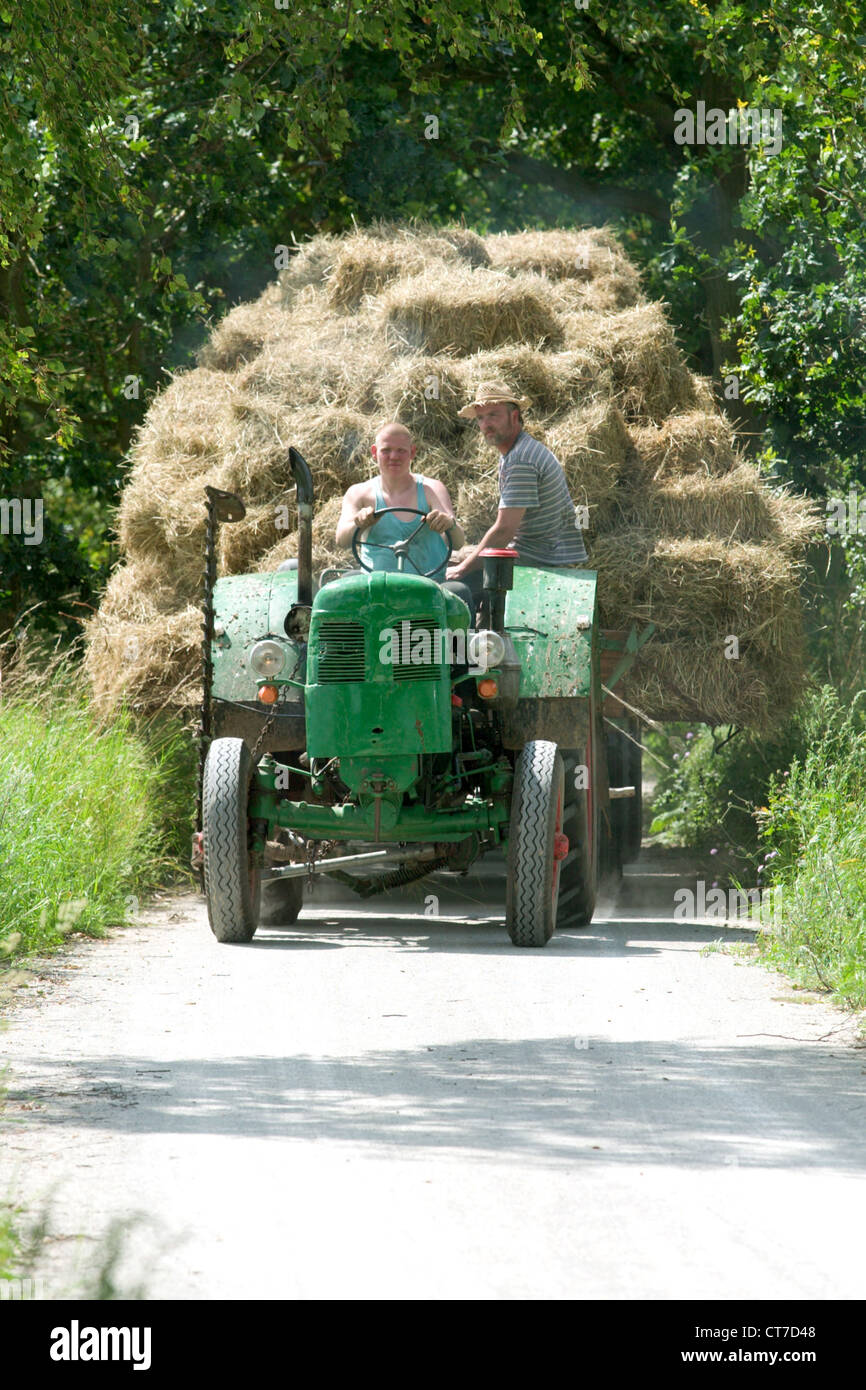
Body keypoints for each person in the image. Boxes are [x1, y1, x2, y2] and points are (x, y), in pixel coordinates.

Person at [446, 380, 587, 591]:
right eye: (481, 418)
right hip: (539, 550)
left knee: (450, 582)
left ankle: (477, 622)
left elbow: (504, 531)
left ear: (514, 416)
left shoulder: (521, 459)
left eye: (493, 415)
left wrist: (462, 569)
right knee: (447, 559)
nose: (486, 424)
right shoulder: (519, 450)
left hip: (538, 558)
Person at [335, 421, 465, 581]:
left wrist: (448, 524)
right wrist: (359, 523)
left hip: (429, 587)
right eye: (386, 450)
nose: (394, 457)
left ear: (412, 452)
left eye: (401, 451)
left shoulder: (432, 489)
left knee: (460, 591)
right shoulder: (359, 493)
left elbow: (458, 542)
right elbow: (341, 540)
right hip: (376, 586)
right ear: (374, 452)